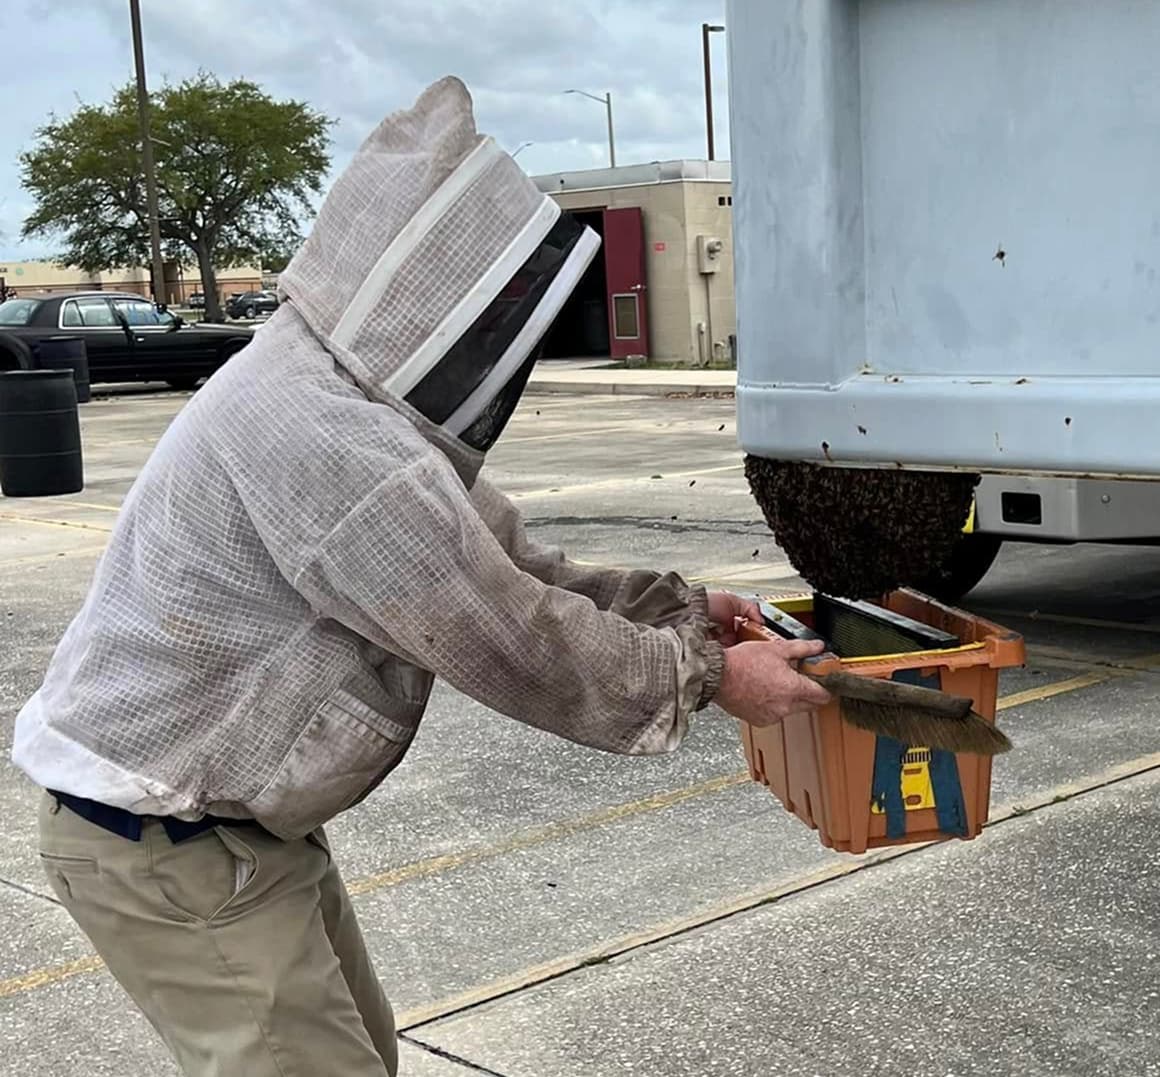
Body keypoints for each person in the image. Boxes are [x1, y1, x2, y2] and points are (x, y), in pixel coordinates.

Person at [13, 77, 829, 1076]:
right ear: (421, 296)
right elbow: (505, 632)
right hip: (160, 833)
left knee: (365, 1052)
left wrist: (687, 611)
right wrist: (704, 677)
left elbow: (512, 566)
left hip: (224, 827)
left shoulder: (344, 404)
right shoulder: (328, 440)